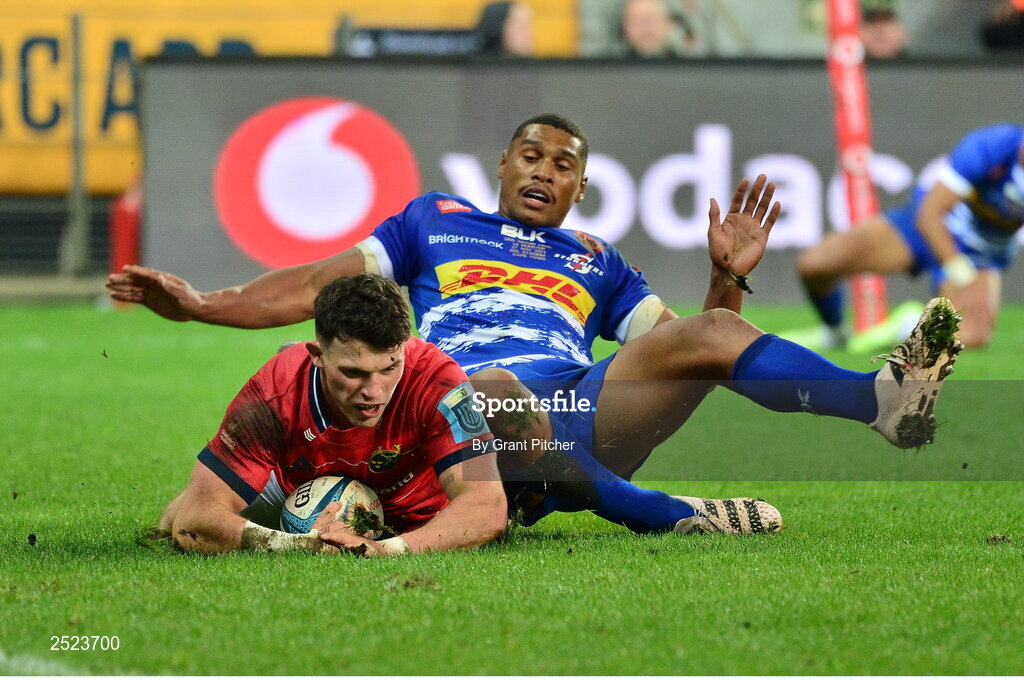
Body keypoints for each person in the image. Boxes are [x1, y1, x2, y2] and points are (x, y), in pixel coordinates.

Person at [109, 113, 962, 537]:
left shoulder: (597, 258)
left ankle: (882, 401)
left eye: (564, 165)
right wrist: (203, 304)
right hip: (457, 413)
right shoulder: (431, 221)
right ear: (502, 164)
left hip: (580, 411)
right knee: (490, 387)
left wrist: (726, 276)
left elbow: (697, 355)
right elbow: (313, 289)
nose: (543, 171)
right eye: (531, 155)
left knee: (708, 334)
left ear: (580, 190)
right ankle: (665, 514)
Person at [158, 273, 508, 555]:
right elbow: (196, 519)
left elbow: (487, 506)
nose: (373, 391)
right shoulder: (272, 392)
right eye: (354, 373)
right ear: (316, 354)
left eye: (389, 368)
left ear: (404, 348)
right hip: (296, 486)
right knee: (174, 516)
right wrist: (302, 544)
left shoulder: (439, 381)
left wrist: (387, 549)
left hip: (414, 509)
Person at [795, 123, 1024, 350]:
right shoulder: (994, 145)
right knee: (814, 265)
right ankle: (835, 334)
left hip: (981, 251)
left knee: (968, 337)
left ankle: (908, 326)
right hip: (922, 228)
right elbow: (930, 213)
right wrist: (960, 273)